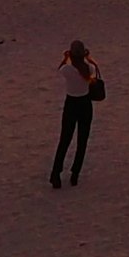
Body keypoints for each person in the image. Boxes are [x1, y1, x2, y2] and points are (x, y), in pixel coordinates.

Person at [51, 38, 104, 188]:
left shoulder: (67, 71)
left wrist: (66, 57)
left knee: (65, 140)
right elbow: (92, 65)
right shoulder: (89, 69)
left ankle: (56, 174)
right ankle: (75, 174)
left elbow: (60, 68)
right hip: (85, 104)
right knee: (82, 140)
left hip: (71, 104)